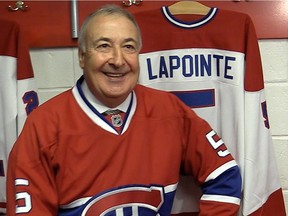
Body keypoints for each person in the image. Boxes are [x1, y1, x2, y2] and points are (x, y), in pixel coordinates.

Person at [6, 4, 242, 216]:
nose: (118, 60)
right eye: (104, 46)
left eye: (128, 46)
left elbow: (225, 177)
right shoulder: (44, 126)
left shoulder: (170, 111)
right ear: (82, 56)